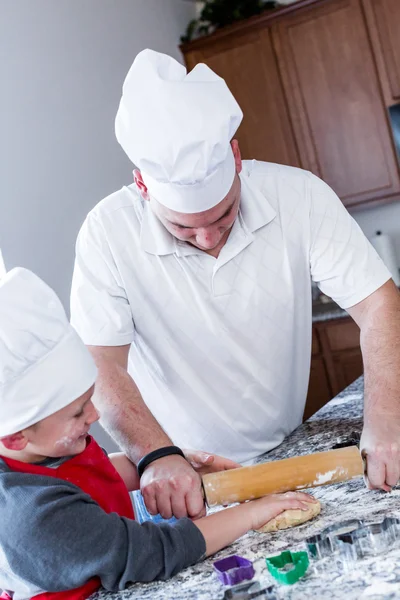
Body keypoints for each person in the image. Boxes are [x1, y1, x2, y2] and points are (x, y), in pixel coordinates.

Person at [71, 49, 400, 521]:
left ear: (236, 155)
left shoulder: (299, 196)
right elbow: (101, 363)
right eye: (184, 227)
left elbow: (378, 304)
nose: (207, 237)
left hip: (290, 452)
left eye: (223, 213)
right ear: (143, 185)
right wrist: (157, 456)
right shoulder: (106, 233)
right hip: (180, 478)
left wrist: (387, 419)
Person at [0, 267, 316, 600]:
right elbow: (156, 551)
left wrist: (166, 466)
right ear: (14, 437)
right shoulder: (32, 517)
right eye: (78, 412)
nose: (94, 414)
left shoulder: (40, 447)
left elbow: (87, 474)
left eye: (88, 400)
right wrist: (250, 514)